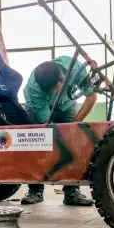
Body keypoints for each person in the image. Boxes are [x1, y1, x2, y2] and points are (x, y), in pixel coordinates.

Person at [21, 56, 98, 206]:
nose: (53, 92)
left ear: (61, 77)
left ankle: (71, 192)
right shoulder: (34, 88)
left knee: (74, 142)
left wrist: (73, 127)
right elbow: (46, 126)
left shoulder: (75, 68)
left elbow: (92, 97)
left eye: (54, 88)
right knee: (38, 142)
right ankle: (35, 190)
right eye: (49, 90)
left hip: (67, 104)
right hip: (38, 106)